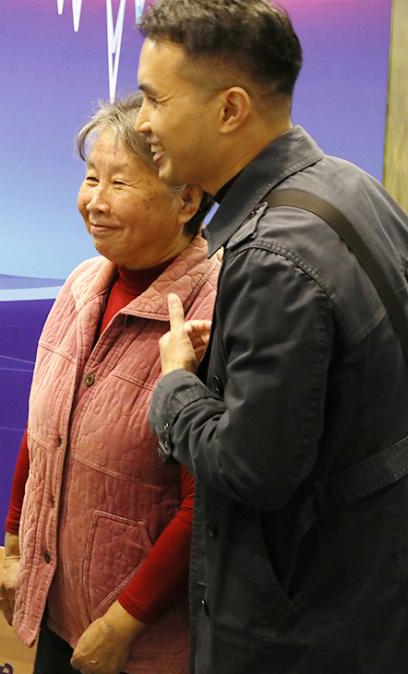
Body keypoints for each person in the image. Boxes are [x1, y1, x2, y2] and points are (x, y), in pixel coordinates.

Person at [136, 1, 408, 671]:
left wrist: (174, 388)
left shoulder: (272, 255)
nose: (142, 123)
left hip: (301, 630)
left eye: (155, 100)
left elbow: (251, 469)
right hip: (368, 598)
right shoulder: (352, 187)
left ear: (230, 109)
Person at [0, 94, 214, 674]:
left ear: (187, 199)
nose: (95, 201)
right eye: (91, 178)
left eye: (119, 183)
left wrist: (123, 622)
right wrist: (15, 548)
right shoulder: (81, 284)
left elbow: (208, 504)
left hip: (144, 644)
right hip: (58, 617)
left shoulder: (215, 311)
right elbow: (45, 429)